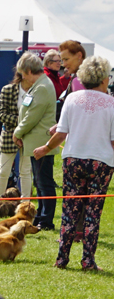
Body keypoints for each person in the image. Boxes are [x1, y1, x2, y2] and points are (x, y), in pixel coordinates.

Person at [34, 56, 114, 271]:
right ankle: (88, 261)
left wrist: (45, 149)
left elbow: (61, 133)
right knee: (92, 214)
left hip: (73, 160)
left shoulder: (72, 98)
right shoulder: (112, 103)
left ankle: (62, 259)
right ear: (104, 79)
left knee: (70, 210)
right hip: (101, 162)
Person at [13, 52, 58, 231]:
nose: (22, 77)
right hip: (35, 141)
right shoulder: (39, 85)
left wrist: (17, 132)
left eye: (23, 73)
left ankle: (46, 221)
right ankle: (41, 216)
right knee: (39, 181)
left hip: (41, 142)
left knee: (44, 182)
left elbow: (32, 116)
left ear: (30, 71)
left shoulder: (42, 87)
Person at [0, 71, 29, 198]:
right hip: (9, 135)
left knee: (26, 172)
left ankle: (26, 204)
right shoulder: (7, 90)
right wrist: (24, 122)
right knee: (3, 172)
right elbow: (2, 115)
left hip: (28, 135)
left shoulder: (36, 91)